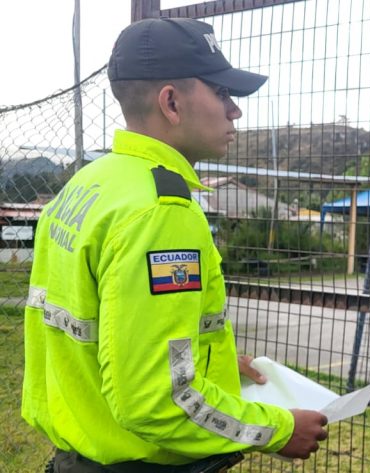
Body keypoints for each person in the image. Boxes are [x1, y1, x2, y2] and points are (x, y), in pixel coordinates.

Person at [22, 18, 327, 472]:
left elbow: (110, 334)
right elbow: (155, 401)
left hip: (80, 452)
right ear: (171, 102)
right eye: (223, 93)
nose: (234, 111)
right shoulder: (162, 211)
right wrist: (279, 429)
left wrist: (217, 364)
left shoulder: (90, 184)